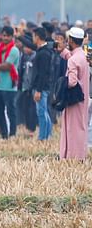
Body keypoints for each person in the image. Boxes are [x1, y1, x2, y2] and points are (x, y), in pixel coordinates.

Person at [59, 27, 89, 159]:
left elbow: (71, 82)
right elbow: (72, 57)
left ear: (70, 40)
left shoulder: (73, 60)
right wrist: (63, 51)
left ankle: (71, 156)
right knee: (81, 127)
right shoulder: (83, 56)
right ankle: (80, 156)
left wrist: (61, 85)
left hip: (73, 100)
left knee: (72, 129)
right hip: (83, 99)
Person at [0, 26, 20, 139]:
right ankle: (4, 135)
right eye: (3, 35)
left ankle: (13, 133)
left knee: (11, 112)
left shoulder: (14, 50)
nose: (5, 37)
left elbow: (7, 66)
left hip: (9, 85)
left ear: (11, 36)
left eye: (7, 35)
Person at [31, 27, 53, 141]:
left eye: (33, 36)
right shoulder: (42, 50)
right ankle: (47, 135)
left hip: (41, 88)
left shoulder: (44, 53)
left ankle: (43, 137)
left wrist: (38, 90)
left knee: (41, 113)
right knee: (43, 111)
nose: (32, 38)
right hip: (41, 87)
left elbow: (43, 73)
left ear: (37, 37)